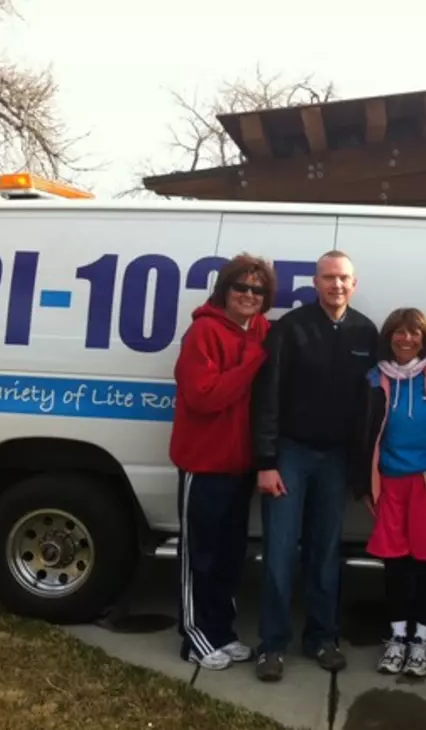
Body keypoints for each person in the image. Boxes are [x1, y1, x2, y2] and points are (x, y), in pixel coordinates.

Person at [251, 250, 378, 682]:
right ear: (315, 282)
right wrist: (266, 461)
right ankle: (272, 645)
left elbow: (368, 409)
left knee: (325, 555)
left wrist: (361, 472)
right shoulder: (290, 329)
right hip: (291, 454)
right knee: (280, 554)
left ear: (354, 284)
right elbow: (266, 398)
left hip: (337, 461)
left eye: (343, 278)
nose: (336, 285)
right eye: (327, 278)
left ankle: (323, 638)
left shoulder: (366, 331)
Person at [168, 253, 276, 671]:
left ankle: (221, 632)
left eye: (257, 290)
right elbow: (204, 396)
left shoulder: (262, 330)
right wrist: (251, 362)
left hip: (240, 465)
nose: (249, 295)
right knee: (201, 555)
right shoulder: (204, 332)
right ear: (225, 290)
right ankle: (194, 636)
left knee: (231, 554)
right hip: (204, 463)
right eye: (241, 287)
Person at [354, 308, 426, 679]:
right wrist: (363, 482)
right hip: (390, 481)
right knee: (394, 563)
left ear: (425, 337)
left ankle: (421, 642)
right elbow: (362, 432)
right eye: (399, 332)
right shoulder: (375, 377)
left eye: (414, 333)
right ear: (389, 337)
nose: (406, 339)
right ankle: (397, 638)